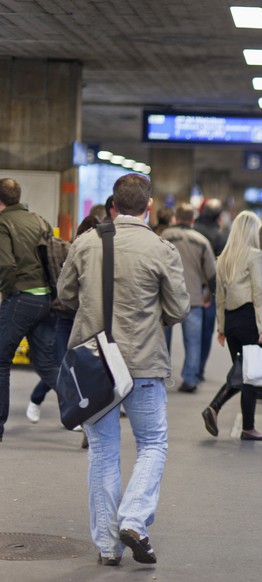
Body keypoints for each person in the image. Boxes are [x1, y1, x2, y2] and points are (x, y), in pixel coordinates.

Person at [57, 173, 189, 565]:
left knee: (102, 453)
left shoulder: (85, 242)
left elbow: (65, 295)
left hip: (95, 365)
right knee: (152, 444)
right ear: (148, 206)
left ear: (113, 206)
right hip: (144, 362)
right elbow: (179, 308)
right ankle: (134, 518)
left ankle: (107, 547)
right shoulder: (161, 248)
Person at [27, 215, 100, 448]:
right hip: (65, 318)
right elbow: (64, 289)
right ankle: (38, 400)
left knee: (81, 372)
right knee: (62, 368)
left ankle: (82, 422)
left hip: (85, 320)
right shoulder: (73, 251)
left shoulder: (101, 256)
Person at [200, 211, 262, 441]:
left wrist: (221, 327)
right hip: (249, 317)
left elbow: (219, 296)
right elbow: (259, 293)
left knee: (242, 372)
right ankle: (235, 419)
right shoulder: (256, 256)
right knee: (248, 375)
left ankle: (221, 412)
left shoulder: (224, 258)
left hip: (231, 321)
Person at [0, 178, 60, 443]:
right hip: (46, 299)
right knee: (46, 364)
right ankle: (88, 412)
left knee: (1, 360)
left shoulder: (3, 223)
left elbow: (6, 265)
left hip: (21, 297)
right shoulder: (40, 220)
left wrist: (8, 291)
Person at [161, 203, 217, 393]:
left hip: (166, 297)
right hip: (193, 298)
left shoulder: (163, 237)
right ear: (193, 219)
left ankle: (161, 375)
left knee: (162, 340)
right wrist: (208, 295)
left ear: (175, 217)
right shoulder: (201, 241)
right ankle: (190, 379)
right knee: (193, 341)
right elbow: (211, 274)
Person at [193, 198, 227, 382]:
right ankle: (198, 369)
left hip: (189, 286)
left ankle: (191, 368)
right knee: (206, 332)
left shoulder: (193, 231)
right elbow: (220, 266)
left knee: (191, 333)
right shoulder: (220, 236)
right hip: (210, 289)